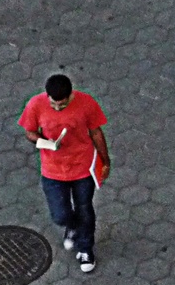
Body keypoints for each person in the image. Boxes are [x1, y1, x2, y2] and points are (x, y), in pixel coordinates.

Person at [19, 74, 110, 273]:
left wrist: (105, 159)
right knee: (59, 214)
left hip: (82, 166)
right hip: (52, 170)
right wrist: (44, 143)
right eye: (54, 104)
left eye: (62, 105)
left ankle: (85, 248)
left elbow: (96, 132)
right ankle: (73, 226)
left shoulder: (86, 103)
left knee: (84, 208)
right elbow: (30, 131)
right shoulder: (36, 105)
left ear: (71, 96)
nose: (58, 108)